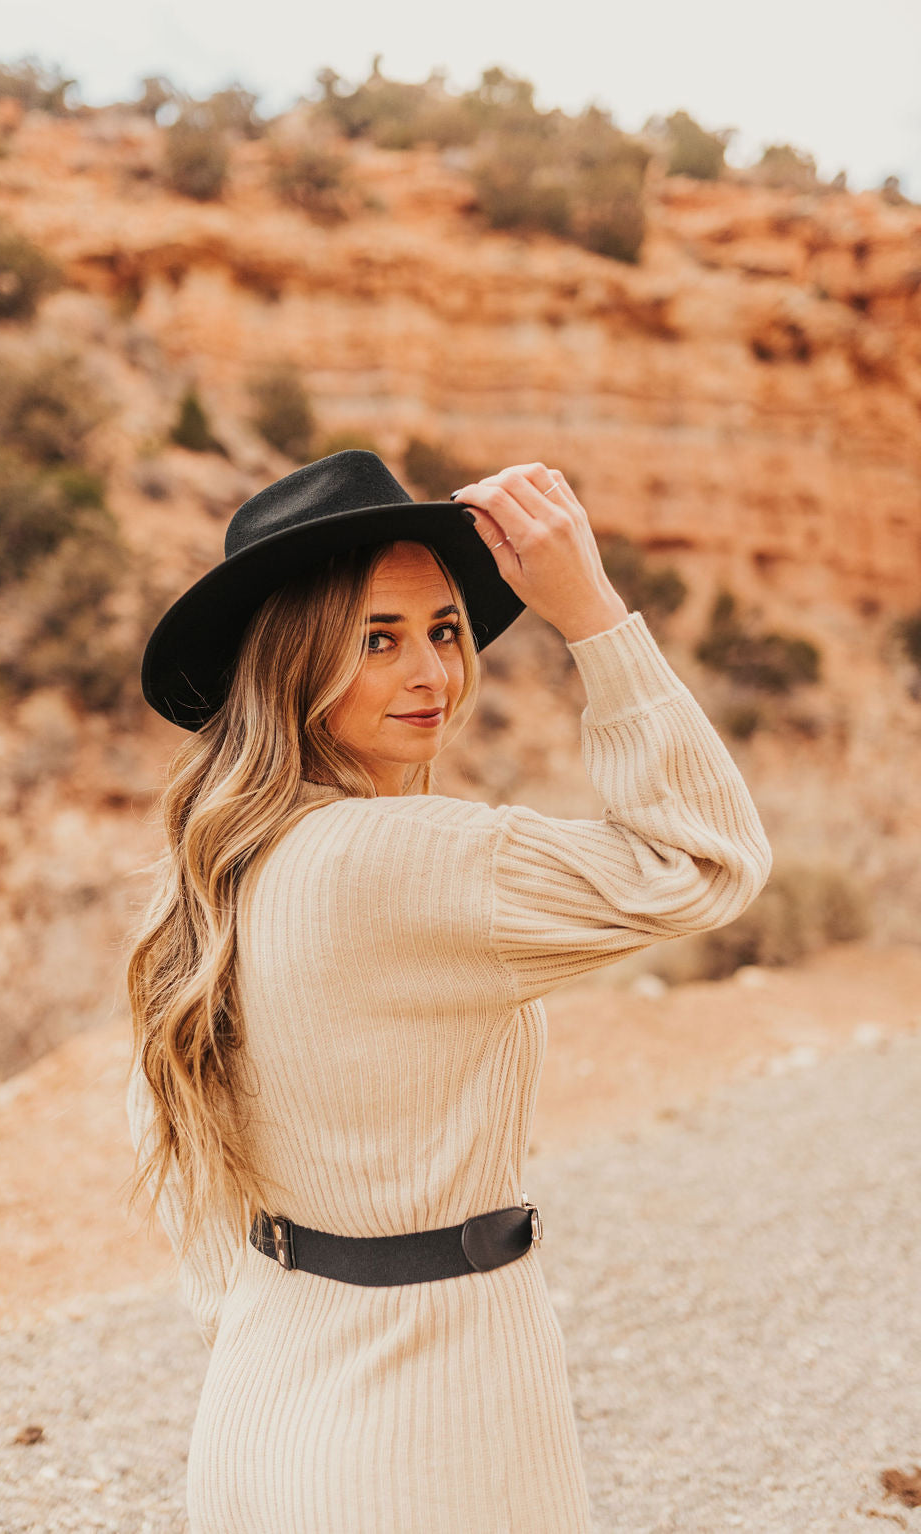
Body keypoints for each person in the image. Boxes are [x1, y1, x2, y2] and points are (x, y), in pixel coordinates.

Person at [124, 450, 772, 1533]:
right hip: (426, 1427)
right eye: (376, 638)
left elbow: (187, 1172)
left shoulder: (219, 865)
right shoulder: (405, 858)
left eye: (441, 630)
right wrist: (594, 615)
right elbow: (705, 862)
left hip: (258, 1410)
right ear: (294, 664)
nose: (432, 674)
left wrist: (268, 1334)